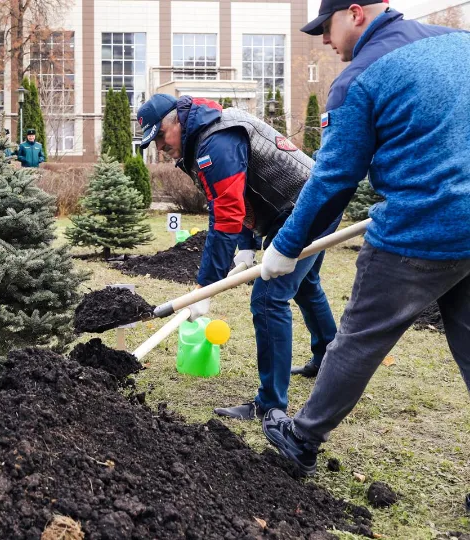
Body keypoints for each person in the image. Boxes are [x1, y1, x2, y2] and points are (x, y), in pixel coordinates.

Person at [261, 0, 470, 476]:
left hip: (418, 233)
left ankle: (302, 437)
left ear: (355, 13)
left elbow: (333, 179)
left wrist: (286, 246)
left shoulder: (362, 78)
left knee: (357, 341)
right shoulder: (464, 45)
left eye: (327, 28)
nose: (325, 41)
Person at [136, 93, 339, 421]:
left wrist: (206, 287)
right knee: (305, 285)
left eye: (160, 136)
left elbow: (227, 212)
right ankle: (329, 361)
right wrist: (246, 246)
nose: (159, 147)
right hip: (302, 205)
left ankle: (270, 405)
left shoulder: (214, 141)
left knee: (268, 298)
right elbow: (239, 194)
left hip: (306, 207)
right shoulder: (208, 134)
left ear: (177, 120)